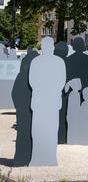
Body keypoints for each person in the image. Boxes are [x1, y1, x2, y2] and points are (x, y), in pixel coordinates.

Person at [29, 37, 66, 166]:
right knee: (46, 128)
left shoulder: (36, 62)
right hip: (50, 99)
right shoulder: (58, 62)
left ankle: (43, 157)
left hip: (43, 99)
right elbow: (61, 81)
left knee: (42, 128)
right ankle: (46, 158)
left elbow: (32, 81)